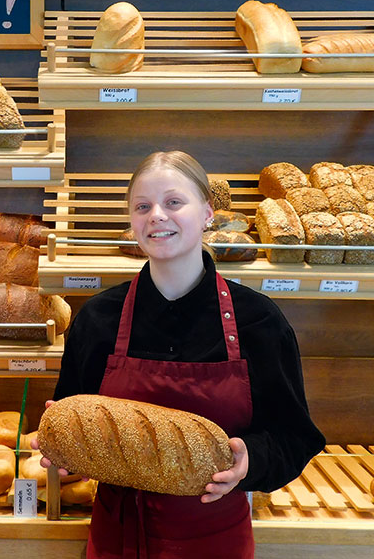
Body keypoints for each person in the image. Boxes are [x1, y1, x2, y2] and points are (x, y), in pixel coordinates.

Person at [49, 151, 324, 558]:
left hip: (216, 541)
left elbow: (295, 439)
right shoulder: (98, 319)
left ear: (208, 213)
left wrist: (252, 460)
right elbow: (75, 413)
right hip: (117, 539)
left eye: (174, 202)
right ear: (132, 222)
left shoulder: (259, 322)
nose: (157, 215)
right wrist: (64, 448)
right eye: (143, 207)